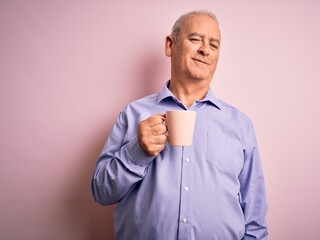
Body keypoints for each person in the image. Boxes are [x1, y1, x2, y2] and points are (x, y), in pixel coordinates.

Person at [91, 10, 268, 240]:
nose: (205, 50)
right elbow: (101, 191)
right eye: (195, 39)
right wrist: (137, 152)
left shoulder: (240, 125)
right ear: (169, 45)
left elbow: (255, 220)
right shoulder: (133, 114)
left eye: (213, 45)